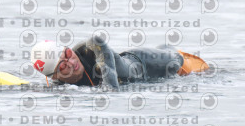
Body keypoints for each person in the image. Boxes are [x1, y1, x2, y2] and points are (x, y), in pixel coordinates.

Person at [30, 34, 208, 89]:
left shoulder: (90, 49)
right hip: (139, 69)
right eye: (63, 65)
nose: (71, 62)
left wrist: (108, 90)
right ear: (54, 76)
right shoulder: (58, 85)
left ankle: (168, 48)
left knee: (182, 60)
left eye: (67, 53)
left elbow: (97, 40)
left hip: (159, 64)